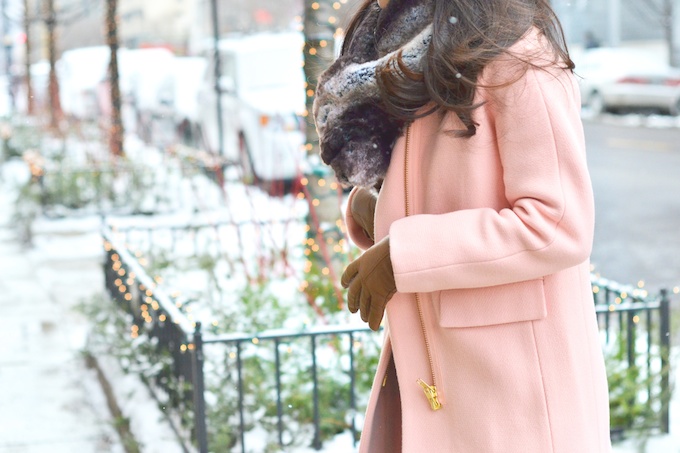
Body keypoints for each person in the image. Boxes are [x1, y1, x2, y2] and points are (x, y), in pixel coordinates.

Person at [313, 0, 611, 452]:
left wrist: (403, 256)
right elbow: (433, 180)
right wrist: (375, 206)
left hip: (513, 398)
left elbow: (557, 223)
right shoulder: (411, 52)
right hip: (435, 372)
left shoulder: (517, 55)